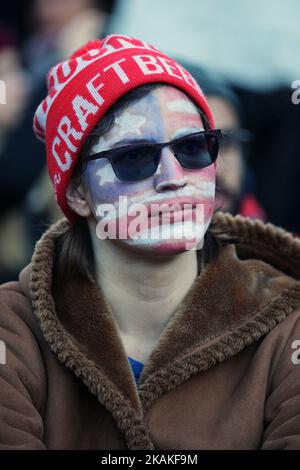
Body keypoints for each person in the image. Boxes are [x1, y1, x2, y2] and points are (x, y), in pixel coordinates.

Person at [0, 34, 300, 450]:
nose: (173, 176)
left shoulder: (289, 322)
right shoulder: (12, 328)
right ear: (77, 194)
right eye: (134, 157)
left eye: (194, 148)